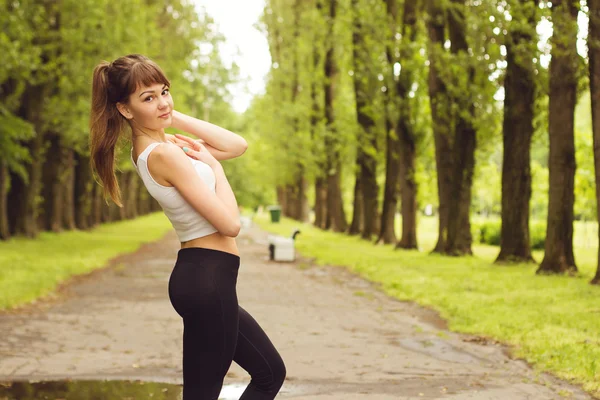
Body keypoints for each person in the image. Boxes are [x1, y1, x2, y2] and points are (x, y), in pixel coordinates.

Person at [89, 54, 286, 400]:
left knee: (270, 372)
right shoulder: (165, 155)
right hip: (207, 282)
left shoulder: (160, 147)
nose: (162, 101)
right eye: (147, 98)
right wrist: (215, 168)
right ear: (124, 109)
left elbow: (236, 145)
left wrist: (166, 113)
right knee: (211, 392)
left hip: (205, 279)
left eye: (164, 91)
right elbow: (230, 224)